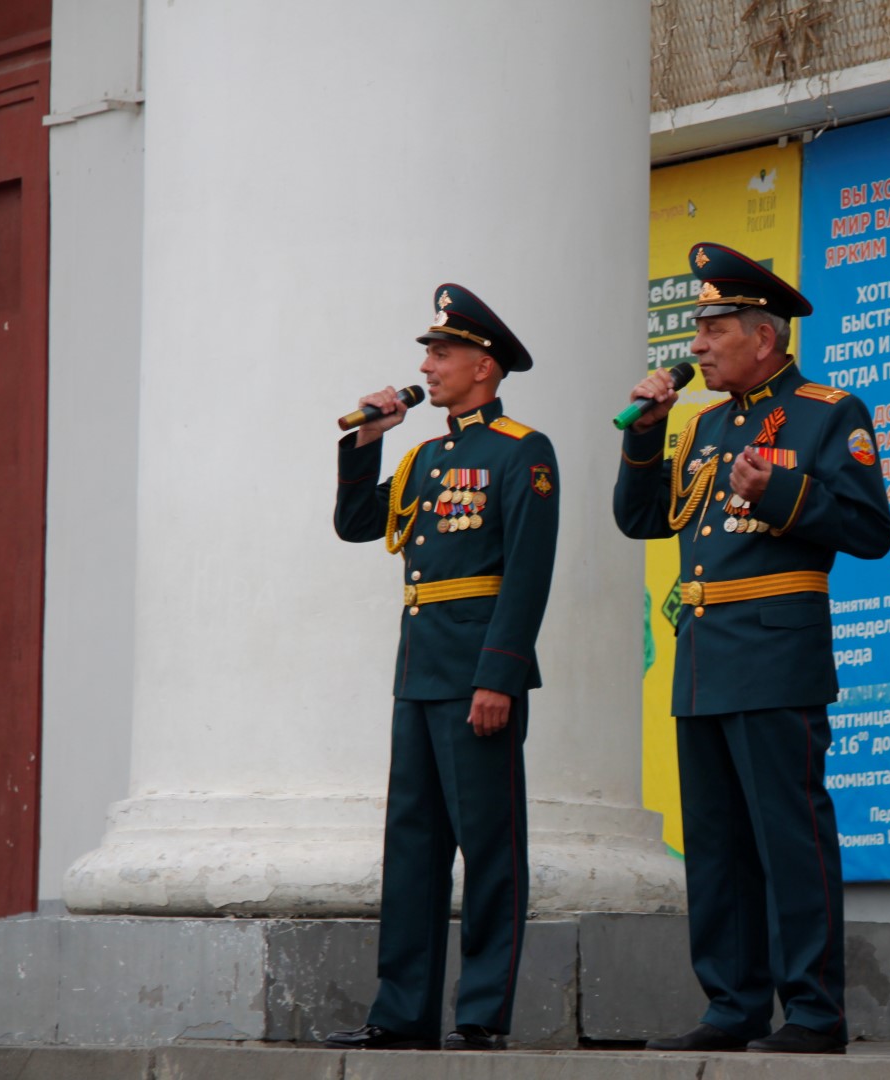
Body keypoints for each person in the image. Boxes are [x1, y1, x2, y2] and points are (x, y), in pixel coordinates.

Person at [613, 243, 890, 1055]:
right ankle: (732, 1005)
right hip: (703, 652)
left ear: (762, 337)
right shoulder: (698, 421)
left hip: (776, 650)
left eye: (713, 330)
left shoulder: (826, 411)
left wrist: (778, 491)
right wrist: (646, 435)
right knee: (716, 843)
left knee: (788, 837)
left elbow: (870, 530)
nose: (695, 346)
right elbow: (641, 520)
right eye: (697, 331)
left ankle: (812, 1012)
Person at [326, 283, 559, 1052]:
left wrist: (496, 675)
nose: (426, 365)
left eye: (441, 352)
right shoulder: (427, 454)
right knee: (412, 845)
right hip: (419, 672)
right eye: (427, 352)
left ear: (483, 366)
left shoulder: (521, 451)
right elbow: (358, 525)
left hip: (475, 676)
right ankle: (401, 1012)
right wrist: (369, 440)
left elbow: (526, 575)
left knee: (489, 845)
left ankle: (483, 1012)